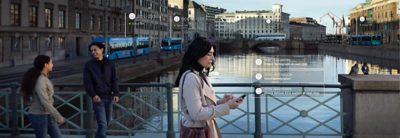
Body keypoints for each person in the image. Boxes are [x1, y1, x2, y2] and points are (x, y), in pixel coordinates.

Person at [175, 37, 243, 138]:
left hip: (203, 128)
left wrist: (222, 102)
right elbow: (197, 114)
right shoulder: (191, 77)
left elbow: (204, 105)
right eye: (209, 54)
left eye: (213, 54)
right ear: (197, 54)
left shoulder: (199, 74)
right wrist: (227, 106)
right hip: (197, 132)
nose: (213, 58)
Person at [20, 55, 65, 138]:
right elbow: (45, 101)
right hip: (39, 115)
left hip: (48, 114)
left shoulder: (43, 77)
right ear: (45, 65)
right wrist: (58, 117)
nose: (52, 65)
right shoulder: (40, 80)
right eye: (51, 63)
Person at [83, 42, 120, 138]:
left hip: (109, 97)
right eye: (91, 51)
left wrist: (116, 93)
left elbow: (114, 79)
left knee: (107, 122)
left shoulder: (110, 63)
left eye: (95, 50)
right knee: (102, 124)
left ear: (102, 50)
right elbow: (87, 82)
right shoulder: (89, 65)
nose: (93, 52)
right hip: (98, 98)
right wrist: (93, 95)